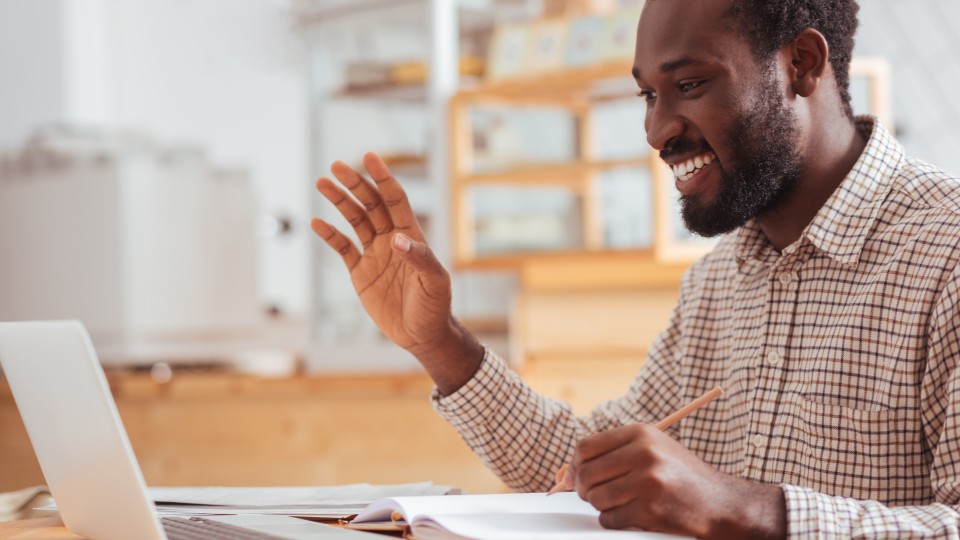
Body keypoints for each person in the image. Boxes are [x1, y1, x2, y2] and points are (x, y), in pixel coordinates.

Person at [311, 0, 960, 537]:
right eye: (648, 94)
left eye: (690, 85)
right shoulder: (716, 284)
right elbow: (582, 472)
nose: (655, 130)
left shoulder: (946, 252)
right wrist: (440, 343)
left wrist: (741, 508)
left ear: (803, 64)